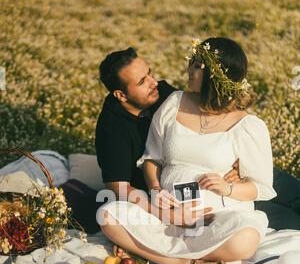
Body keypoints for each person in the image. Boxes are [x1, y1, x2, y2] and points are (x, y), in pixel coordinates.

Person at [96, 37, 280, 264]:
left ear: (214, 77)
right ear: (121, 94)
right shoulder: (169, 104)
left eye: (195, 66)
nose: (187, 70)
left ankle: (147, 250)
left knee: (246, 240)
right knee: (107, 214)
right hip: (166, 215)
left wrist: (230, 186)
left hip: (216, 218)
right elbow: (150, 159)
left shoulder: (248, 126)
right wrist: (158, 194)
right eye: (142, 81)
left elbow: (260, 187)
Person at [95, 47, 300, 232]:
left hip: (223, 170)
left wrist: (237, 165)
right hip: (183, 194)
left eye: (150, 73)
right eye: (142, 82)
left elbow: (212, 112)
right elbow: (118, 187)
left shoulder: (163, 93)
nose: (154, 82)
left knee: (286, 187)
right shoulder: (111, 128)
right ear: (121, 95)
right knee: (280, 218)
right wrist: (160, 202)